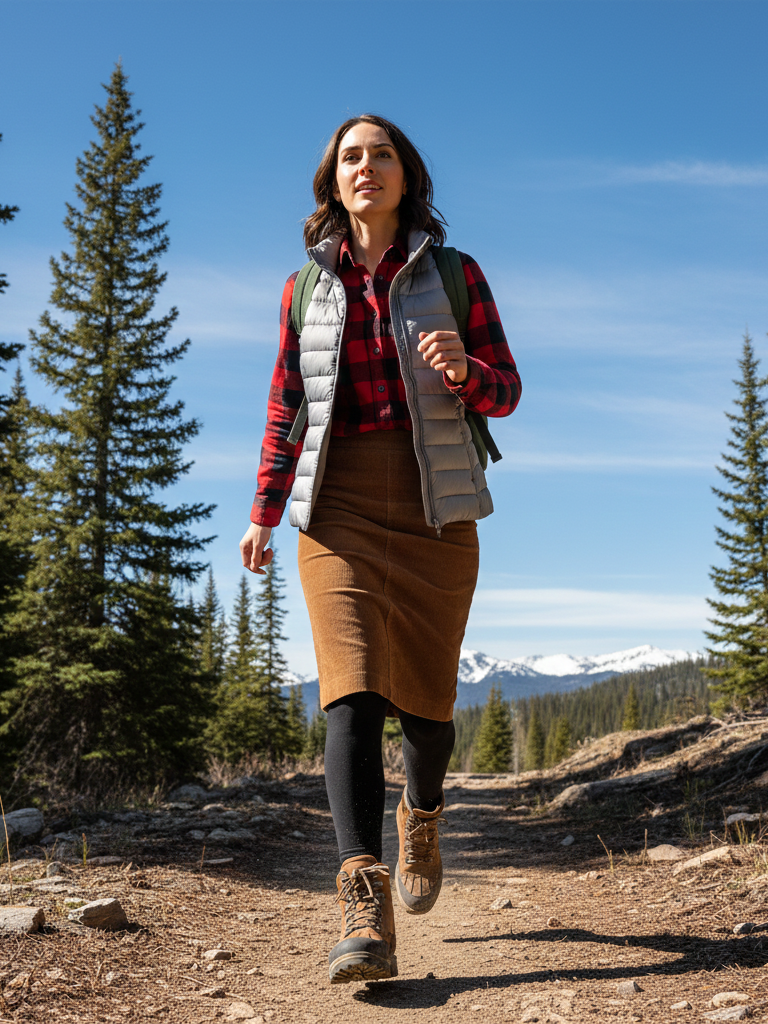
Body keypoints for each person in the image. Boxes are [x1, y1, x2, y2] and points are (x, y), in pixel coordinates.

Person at [240, 114, 521, 984]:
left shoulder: (456, 275)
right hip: (338, 505)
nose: (367, 167)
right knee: (351, 693)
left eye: (382, 155)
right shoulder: (304, 290)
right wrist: (263, 509)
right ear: (333, 182)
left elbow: (506, 391)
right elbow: (287, 405)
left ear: (407, 176)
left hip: (438, 505)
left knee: (428, 710)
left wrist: (465, 371)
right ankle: (365, 905)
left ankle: (424, 810)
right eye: (350, 157)